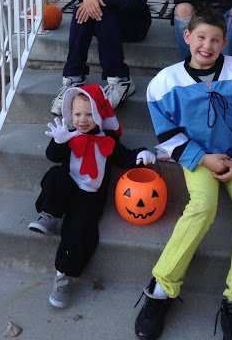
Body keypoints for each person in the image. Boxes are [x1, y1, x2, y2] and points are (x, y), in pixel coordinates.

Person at [134, 7, 232, 340]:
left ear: (225, 42)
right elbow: (168, 133)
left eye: (215, 39)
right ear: (187, 37)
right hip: (199, 159)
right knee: (201, 208)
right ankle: (161, 289)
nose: (207, 46)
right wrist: (202, 158)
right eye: (200, 37)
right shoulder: (166, 84)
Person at [29, 84, 156, 309]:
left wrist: (141, 155)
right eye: (77, 114)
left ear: (99, 115)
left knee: (79, 232)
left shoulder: (108, 139)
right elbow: (53, 156)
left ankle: (63, 276)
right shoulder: (67, 134)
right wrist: (58, 142)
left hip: (89, 197)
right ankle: (49, 216)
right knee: (56, 174)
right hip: (67, 188)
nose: (83, 120)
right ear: (70, 114)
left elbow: (123, 157)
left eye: (89, 114)